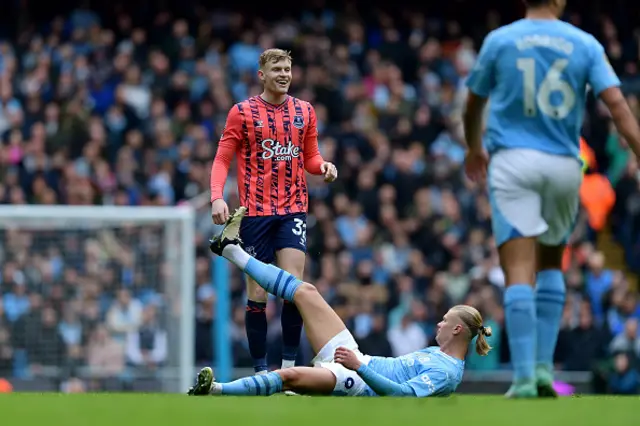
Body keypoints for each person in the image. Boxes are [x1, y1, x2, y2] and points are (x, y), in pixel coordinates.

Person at [463, 0, 640, 398]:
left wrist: (474, 148)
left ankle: (525, 377)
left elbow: (473, 102)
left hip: (513, 162)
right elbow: (617, 106)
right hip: (564, 163)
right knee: (550, 265)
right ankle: (544, 370)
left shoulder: (499, 40)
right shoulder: (585, 43)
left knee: (518, 271)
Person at [187, 207, 492, 397]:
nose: (439, 322)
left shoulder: (448, 373)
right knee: (306, 292)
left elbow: (402, 396)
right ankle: (231, 250)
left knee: (288, 377)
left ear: (457, 330)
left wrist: (359, 367)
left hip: (357, 380)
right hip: (356, 358)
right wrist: (360, 360)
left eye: (445, 320)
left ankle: (214, 389)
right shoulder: (438, 355)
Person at [209, 49, 338, 374]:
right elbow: (223, 158)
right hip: (254, 214)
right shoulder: (242, 112)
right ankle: (260, 372)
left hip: (293, 209)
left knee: (293, 287)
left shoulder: (304, 111)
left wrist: (322, 166)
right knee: (257, 294)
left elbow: (309, 157)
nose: (284, 74)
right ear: (261, 75)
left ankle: (289, 368)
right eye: (276, 68)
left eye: (288, 69)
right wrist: (217, 197)